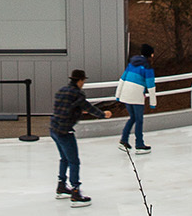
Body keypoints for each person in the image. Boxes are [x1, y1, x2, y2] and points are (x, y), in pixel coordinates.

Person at [50, 68, 110, 205]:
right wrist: (103, 114)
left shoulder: (61, 91)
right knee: (74, 161)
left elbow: (65, 108)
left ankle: (61, 186)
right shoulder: (77, 95)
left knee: (64, 158)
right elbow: (89, 108)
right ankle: (75, 192)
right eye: (83, 81)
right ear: (80, 80)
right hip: (65, 131)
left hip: (53, 128)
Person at [115, 44, 158, 152]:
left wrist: (118, 96)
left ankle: (123, 140)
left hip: (126, 94)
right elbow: (151, 86)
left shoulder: (131, 64)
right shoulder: (147, 67)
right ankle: (139, 144)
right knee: (139, 120)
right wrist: (153, 103)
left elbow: (122, 79)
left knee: (133, 118)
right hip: (136, 95)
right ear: (150, 54)